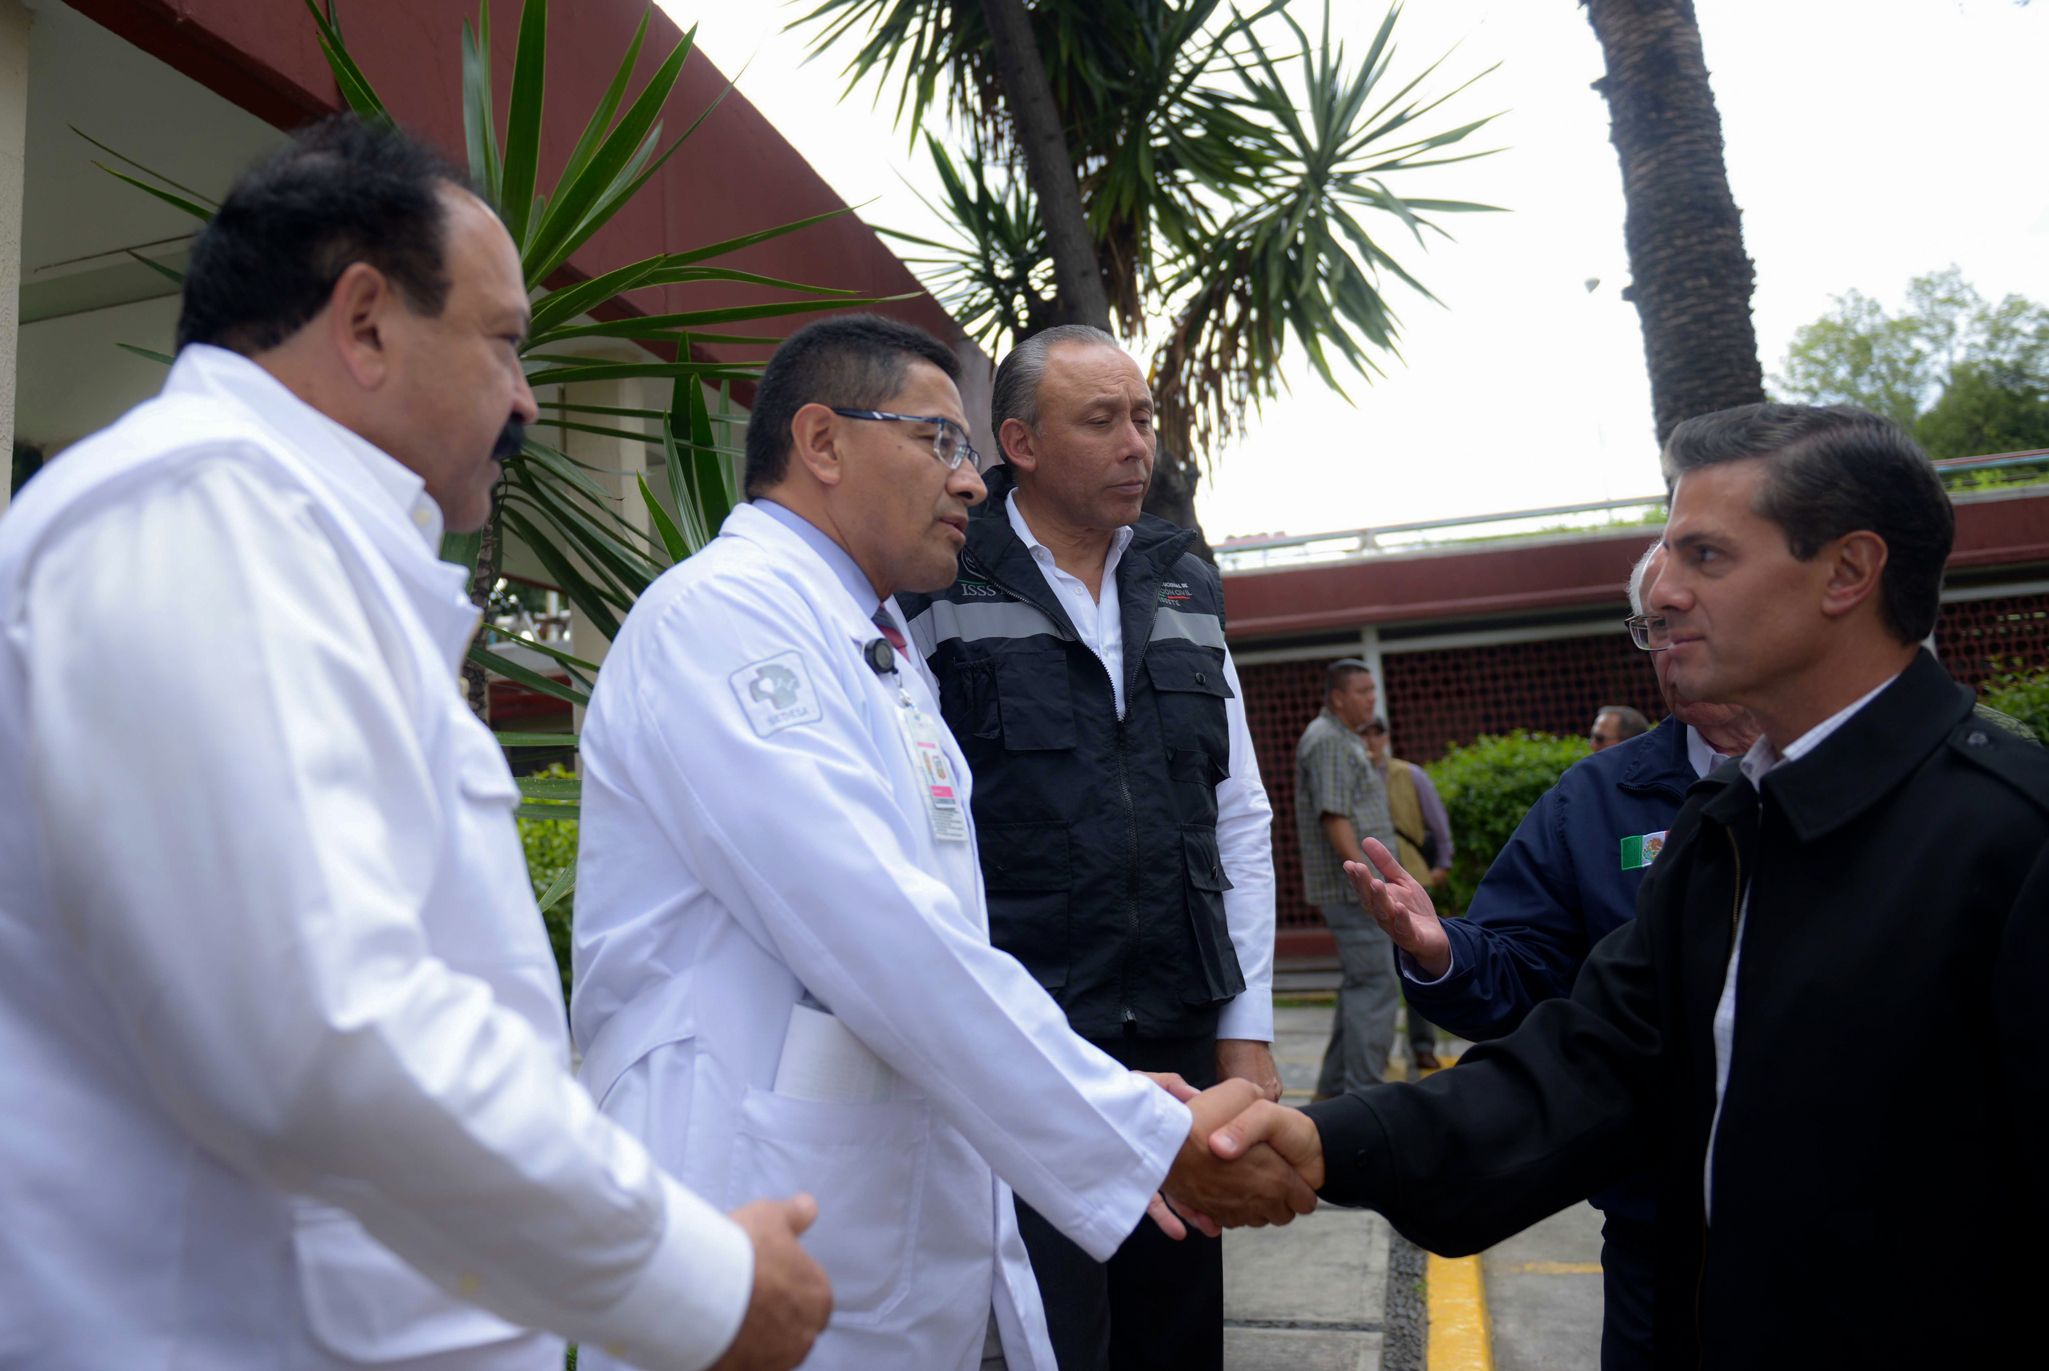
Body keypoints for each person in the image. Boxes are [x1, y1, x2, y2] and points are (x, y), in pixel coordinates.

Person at [0, 117, 829, 1370]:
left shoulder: (284, 541)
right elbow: (320, 1026)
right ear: (368, 320)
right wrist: (696, 1280)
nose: (527, 399)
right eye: (504, 343)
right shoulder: (201, 517)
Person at [1204, 403, 2049, 1367]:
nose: (1664, 595)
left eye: (1706, 556)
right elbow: (1592, 1065)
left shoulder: (2010, 840)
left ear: (1848, 572)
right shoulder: (1723, 829)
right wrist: (1324, 1144)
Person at [571, 315, 1309, 1371]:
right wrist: (1132, 1134)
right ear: (822, 443)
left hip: (882, 1234)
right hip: (750, 1212)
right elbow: (882, 935)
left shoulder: (877, 650)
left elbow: (944, 947)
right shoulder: (722, 619)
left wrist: (1104, 1095)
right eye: (940, 442)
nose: (969, 482)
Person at [898, 323, 1279, 1371]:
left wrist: (1244, 1028)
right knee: (1052, 1337)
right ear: (1016, 441)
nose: (1136, 445)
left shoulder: (1183, 579)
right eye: (1101, 420)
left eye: (1144, 417)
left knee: (1177, 1331)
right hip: (1036, 1039)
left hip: (1182, 1026)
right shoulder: (939, 581)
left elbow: (1237, 812)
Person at [1387, 540, 1759, 1369]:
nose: (1670, 644)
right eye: (1651, 625)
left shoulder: (1858, 771)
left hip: (1851, 1228)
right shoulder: (1593, 799)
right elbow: (1524, 971)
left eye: (1687, 618)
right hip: (1654, 1231)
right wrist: (1442, 949)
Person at [1295, 662, 1402, 1096]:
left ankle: (1334, 1091)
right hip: (1354, 891)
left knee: (1363, 984)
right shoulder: (1329, 741)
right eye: (1361, 691)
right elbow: (1335, 818)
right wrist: (1367, 883)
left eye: (1372, 691)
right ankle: (1366, 1094)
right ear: (1338, 698)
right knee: (1377, 983)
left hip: (1358, 887)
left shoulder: (1339, 738)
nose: (1370, 699)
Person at [1359, 714, 1454, 1072]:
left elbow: (1437, 822)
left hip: (1412, 878)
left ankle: (1421, 1045)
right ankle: (1376, 1053)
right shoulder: (1355, 774)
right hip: (1373, 882)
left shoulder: (1408, 774)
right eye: (1363, 734)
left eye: (1376, 732)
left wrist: (1442, 862)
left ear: (1385, 736)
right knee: (1376, 975)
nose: (1370, 740)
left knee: (1417, 964)